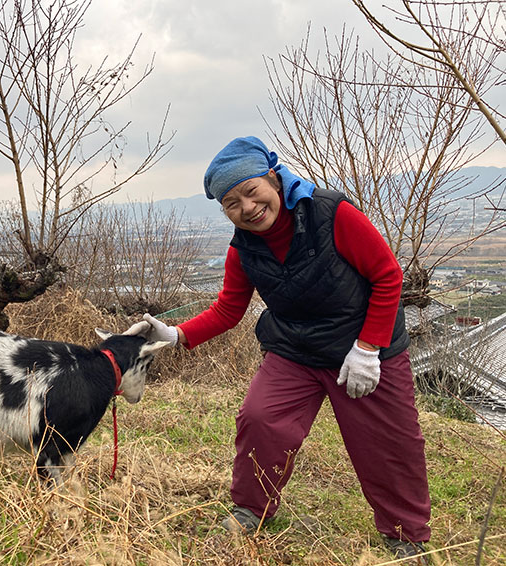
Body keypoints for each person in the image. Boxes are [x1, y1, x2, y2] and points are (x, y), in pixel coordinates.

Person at [128, 136, 431, 562]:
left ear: (273, 178)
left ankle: (406, 533)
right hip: (295, 348)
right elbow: (229, 309)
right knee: (261, 418)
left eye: (251, 192)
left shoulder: (331, 214)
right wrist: (177, 334)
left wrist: (367, 349)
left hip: (364, 347)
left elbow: (388, 276)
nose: (247, 208)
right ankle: (252, 508)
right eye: (232, 203)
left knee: (388, 442)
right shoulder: (243, 249)